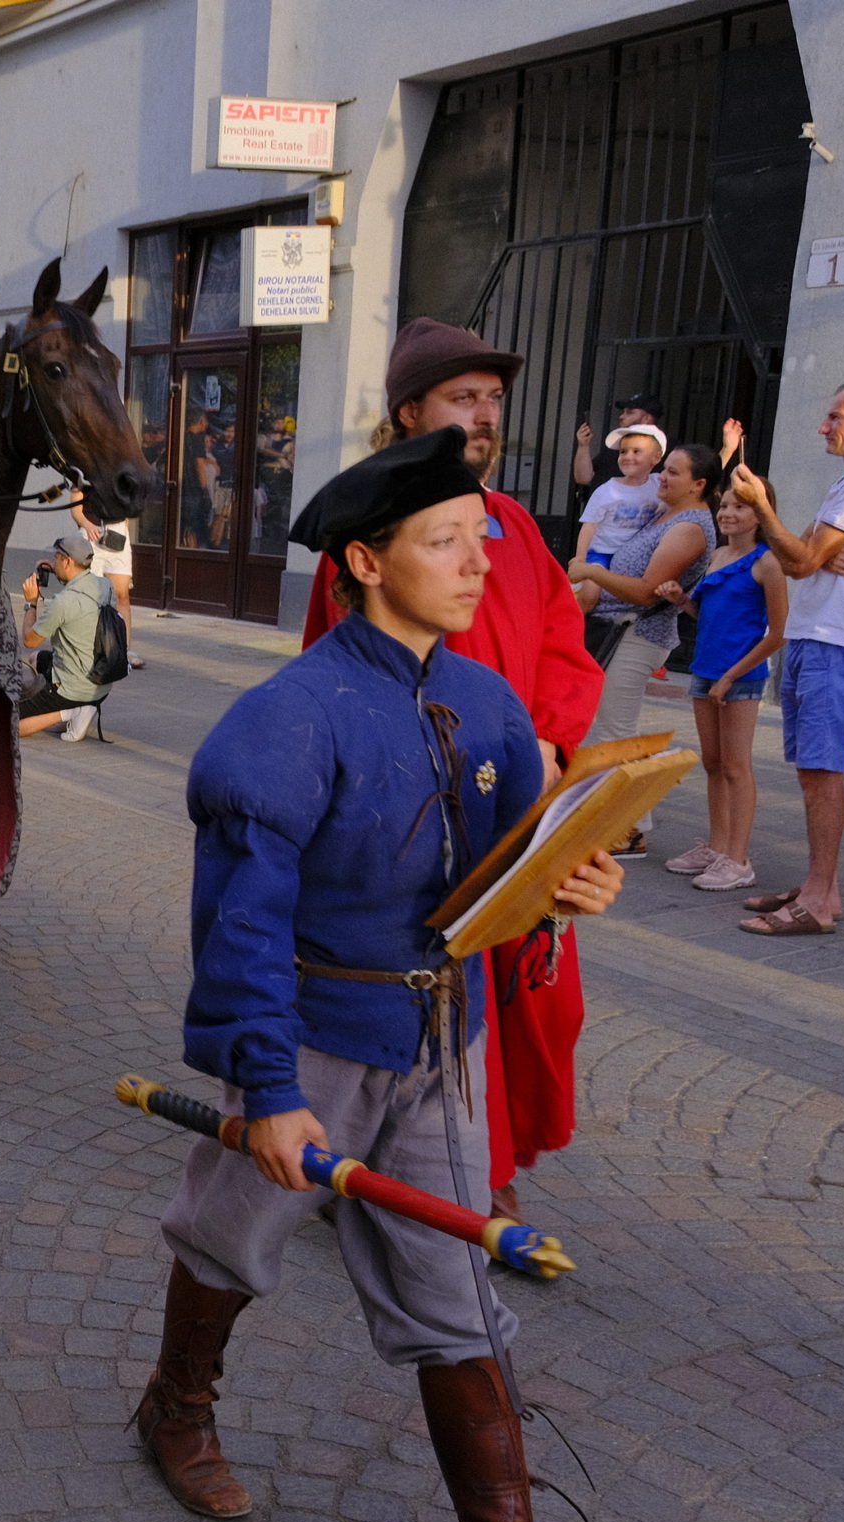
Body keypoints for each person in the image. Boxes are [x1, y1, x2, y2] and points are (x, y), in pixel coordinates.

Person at [151, 425, 646, 1522]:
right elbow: (242, 924)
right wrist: (264, 1091)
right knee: (233, 1241)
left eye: (479, 538)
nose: (478, 562)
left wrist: (567, 886)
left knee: (456, 1302)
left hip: (439, 1047)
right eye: (444, 542)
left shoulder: (486, 701)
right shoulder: (285, 718)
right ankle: (176, 1409)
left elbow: (499, 885)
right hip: (310, 1040)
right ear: (365, 562)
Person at [303, 317, 603, 1221]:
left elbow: (563, 641)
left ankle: (476, 1160)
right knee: (409, 985)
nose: (484, 415)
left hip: (519, 803)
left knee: (528, 1000)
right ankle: (444, 1177)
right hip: (414, 806)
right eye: (463, 398)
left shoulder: (510, 522)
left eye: (493, 399)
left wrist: (548, 740)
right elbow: (344, 669)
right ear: (410, 412)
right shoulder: (369, 523)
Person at [726, 378, 844, 936]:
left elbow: (799, 558)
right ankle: (820, 886)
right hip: (819, 635)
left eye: (836, 417)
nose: (824, 427)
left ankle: (818, 899)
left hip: (837, 638)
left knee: (821, 771)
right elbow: (795, 557)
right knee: (812, 769)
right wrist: (813, 554)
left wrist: (764, 509)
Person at [571, 442, 716, 858]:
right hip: (618, 629)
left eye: (672, 472)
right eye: (663, 470)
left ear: (698, 484)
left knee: (617, 731)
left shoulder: (688, 527)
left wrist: (592, 571)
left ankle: (629, 828)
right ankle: (625, 822)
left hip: (639, 634)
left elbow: (646, 591)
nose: (662, 478)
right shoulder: (663, 509)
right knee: (611, 729)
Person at [659, 479, 786, 892]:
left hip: (740, 679)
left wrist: (732, 675)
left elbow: (778, 633)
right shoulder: (716, 555)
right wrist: (682, 601)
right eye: (725, 506)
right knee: (713, 764)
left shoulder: (767, 562)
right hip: (705, 672)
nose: (729, 513)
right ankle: (716, 846)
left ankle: (738, 858)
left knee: (736, 766)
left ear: (761, 515)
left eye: (741, 507)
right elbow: (707, 616)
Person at [18, 533, 111, 740]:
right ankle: (76, 706)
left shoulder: (63, 603)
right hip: (101, 683)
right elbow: (79, 595)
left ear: (68, 561)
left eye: (57, 559)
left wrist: (31, 602)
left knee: (10, 725)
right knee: (36, 658)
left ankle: (72, 712)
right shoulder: (105, 587)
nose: (54, 562)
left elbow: (29, 639)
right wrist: (57, 571)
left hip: (72, 687)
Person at [569, 423, 664, 589]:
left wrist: (726, 450)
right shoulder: (606, 491)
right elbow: (589, 526)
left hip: (638, 557)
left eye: (636, 451)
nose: (627, 456)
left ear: (656, 457)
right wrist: (580, 558)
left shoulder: (658, 484)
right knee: (591, 591)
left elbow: (692, 479)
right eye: (623, 451)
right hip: (602, 553)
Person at [74, 494, 142, 665]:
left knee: (122, 595)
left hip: (117, 534)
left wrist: (123, 527)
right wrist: (87, 525)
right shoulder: (85, 473)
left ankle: (124, 650)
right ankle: (88, 648)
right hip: (91, 534)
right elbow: (75, 508)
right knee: (90, 595)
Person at [571, 391, 661, 491]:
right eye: (623, 452)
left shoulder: (666, 449)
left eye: (630, 412)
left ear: (646, 419)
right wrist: (583, 445)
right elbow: (583, 478)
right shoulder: (615, 445)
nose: (621, 416)